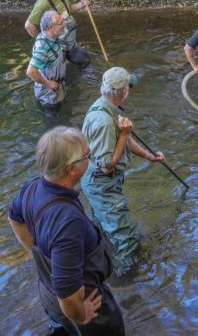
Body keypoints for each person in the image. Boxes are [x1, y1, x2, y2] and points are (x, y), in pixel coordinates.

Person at [8, 126, 125, 335]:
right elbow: (68, 294)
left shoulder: (32, 187)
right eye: (86, 155)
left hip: (48, 297)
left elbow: (14, 218)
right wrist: (81, 315)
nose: (89, 157)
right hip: (82, 307)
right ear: (72, 169)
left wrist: (35, 251)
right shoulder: (67, 222)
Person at [80, 66, 165, 273]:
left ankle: (103, 265)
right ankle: (125, 278)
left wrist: (148, 156)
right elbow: (107, 166)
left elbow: (120, 142)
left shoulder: (107, 106)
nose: (130, 90)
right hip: (101, 183)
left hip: (100, 182)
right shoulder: (103, 122)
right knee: (128, 240)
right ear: (122, 92)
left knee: (104, 230)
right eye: (128, 86)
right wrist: (126, 135)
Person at [25, 0, 95, 81]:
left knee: (85, 60)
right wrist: (44, 40)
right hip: (57, 47)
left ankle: (87, 82)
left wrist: (81, 4)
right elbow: (29, 26)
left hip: (70, 43)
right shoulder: (42, 4)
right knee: (58, 76)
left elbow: (68, 9)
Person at [26, 10, 67, 110]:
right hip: (49, 94)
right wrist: (48, 83)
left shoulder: (53, 37)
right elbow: (30, 72)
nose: (64, 25)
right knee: (53, 118)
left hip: (57, 86)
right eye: (61, 23)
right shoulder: (43, 47)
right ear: (50, 27)